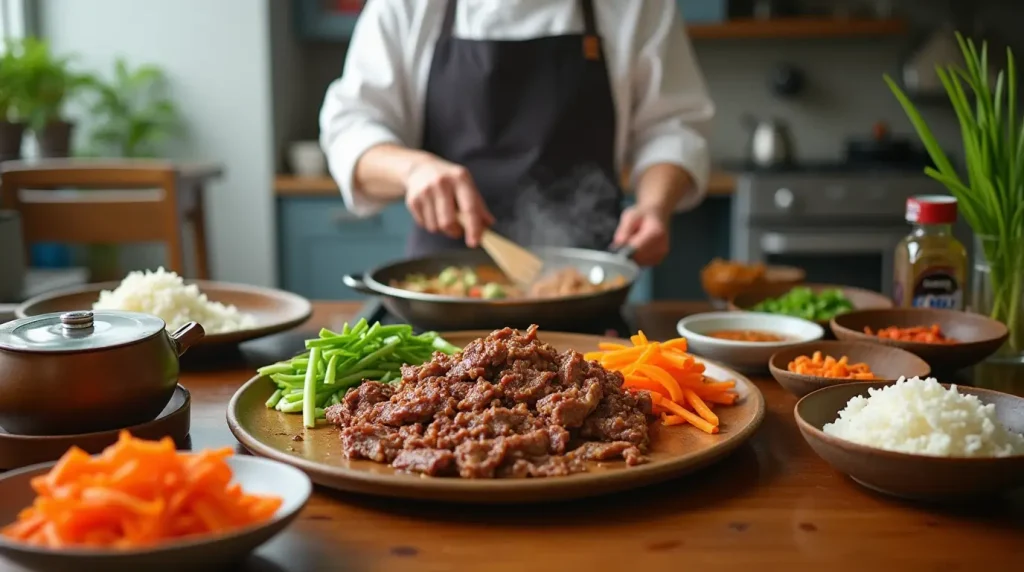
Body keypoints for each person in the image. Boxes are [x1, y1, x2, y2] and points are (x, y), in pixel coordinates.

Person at [320, 0, 714, 266]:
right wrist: (412, 170)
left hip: (584, 286)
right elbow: (350, 125)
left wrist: (653, 207)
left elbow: (672, 125)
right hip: (444, 290)